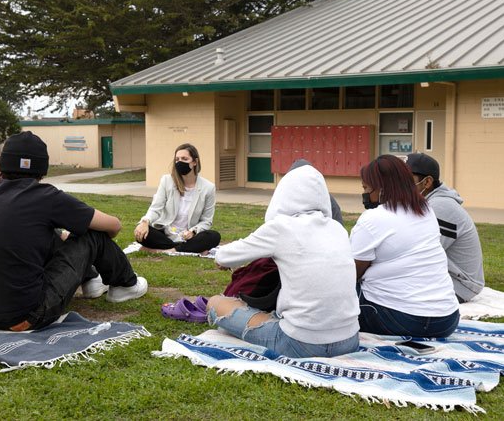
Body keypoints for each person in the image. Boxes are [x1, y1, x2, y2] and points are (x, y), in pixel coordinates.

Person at [0, 131, 147, 331]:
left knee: (51, 234)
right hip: (25, 315)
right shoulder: (46, 196)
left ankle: (91, 279)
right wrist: (90, 244)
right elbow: (113, 225)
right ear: (42, 167)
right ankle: (125, 285)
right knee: (92, 233)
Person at [207, 164, 360, 358]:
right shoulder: (337, 229)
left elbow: (223, 256)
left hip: (299, 343)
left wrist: (225, 260)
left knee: (215, 303)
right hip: (349, 341)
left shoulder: (281, 228)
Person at [352, 154, 459, 338]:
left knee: (336, 289)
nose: (365, 195)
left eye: (366, 188)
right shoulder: (426, 210)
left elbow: (352, 274)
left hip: (398, 319)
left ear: (383, 188)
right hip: (446, 320)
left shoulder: (373, 218)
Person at [406, 152, 484, 302]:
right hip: (447, 277)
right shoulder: (429, 203)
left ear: (427, 182)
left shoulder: (440, 207)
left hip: (460, 286)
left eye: (405, 180)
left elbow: (423, 256)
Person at [134, 143, 220, 254]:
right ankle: (187, 249)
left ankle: (167, 250)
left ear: (195, 162)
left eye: (184, 159)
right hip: (166, 233)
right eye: (177, 159)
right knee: (142, 233)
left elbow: (206, 221)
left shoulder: (208, 188)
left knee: (214, 236)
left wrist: (193, 232)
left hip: (189, 236)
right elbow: (156, 208)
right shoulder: (167, 181)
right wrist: (145, 222)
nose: (180, 162)